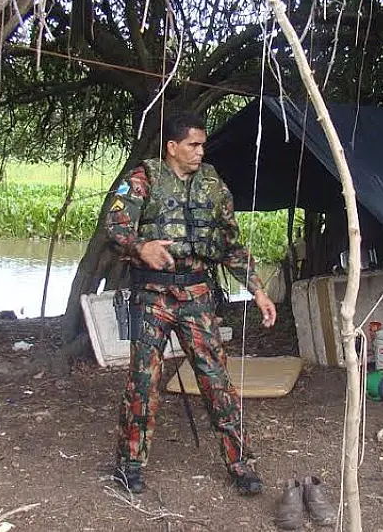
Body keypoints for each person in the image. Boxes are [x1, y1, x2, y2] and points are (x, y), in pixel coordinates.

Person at [104, 112, 278, 496]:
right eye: (192, 145)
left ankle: (240, 464)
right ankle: (130, 465)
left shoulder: (214, 186)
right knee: (143, 380)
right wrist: (140, 247)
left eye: (202, 145)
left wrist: (258, 291)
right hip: (152, 294)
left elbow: (231, 244)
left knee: (216, 380)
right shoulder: (143, 179)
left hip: (197, 294)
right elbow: (115, 225)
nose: (200, 152)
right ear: (172, 147)